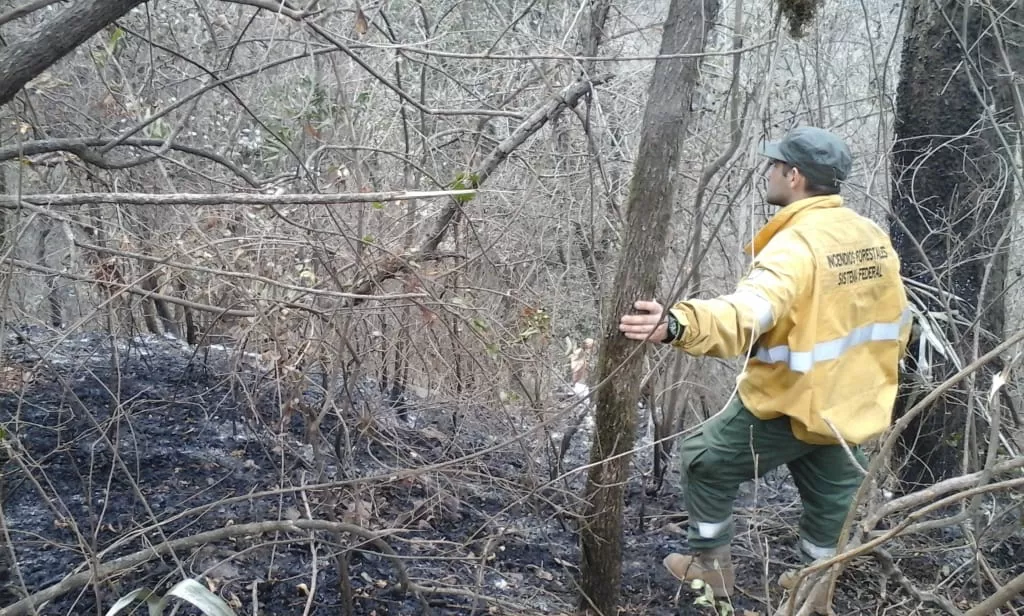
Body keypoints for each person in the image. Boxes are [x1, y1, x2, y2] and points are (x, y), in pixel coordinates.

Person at [618, 126, 910, 607]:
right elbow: (897, 321)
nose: (768, 173)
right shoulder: (870, 234)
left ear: (793, 176)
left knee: (703, 460)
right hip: (856, 404)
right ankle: (815, 589)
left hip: (792, 403)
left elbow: (749, 312)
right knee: (835, 504)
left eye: (774, 166)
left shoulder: (796, 246)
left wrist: (676, 325)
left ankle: (710, 571)